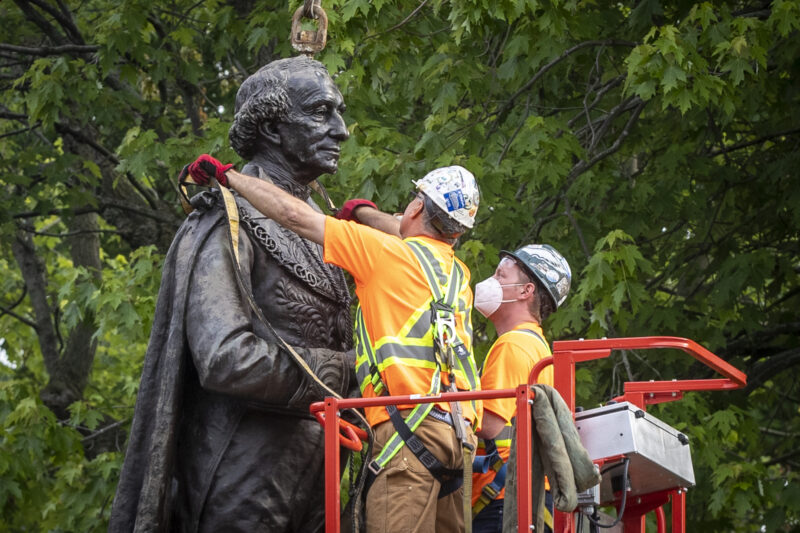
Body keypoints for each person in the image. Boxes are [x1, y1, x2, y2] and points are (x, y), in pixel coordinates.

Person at [109, 56, 357, 533]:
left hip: (319, 473)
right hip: (242, 477)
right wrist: (350, 370)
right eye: (322, 112)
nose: (341, 130)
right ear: (272, 129)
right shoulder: (225, 221)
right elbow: (226, 358)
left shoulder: (322, 227)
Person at [185, 154, 483, 533]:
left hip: (410, 434)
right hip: (459, 434)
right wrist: (361, 213)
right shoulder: (457, 272)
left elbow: (295, 216)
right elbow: (403, 228)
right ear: (457, 232)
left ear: (417, 205)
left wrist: (230, 178)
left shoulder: (382, 254)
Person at [470, 245, 572, 533]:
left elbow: (488, 426)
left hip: (503, 499)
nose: (491, 281)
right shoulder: (536, 346)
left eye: (501, 275)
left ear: (525, 291)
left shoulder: (513, 346)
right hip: (522, 495)